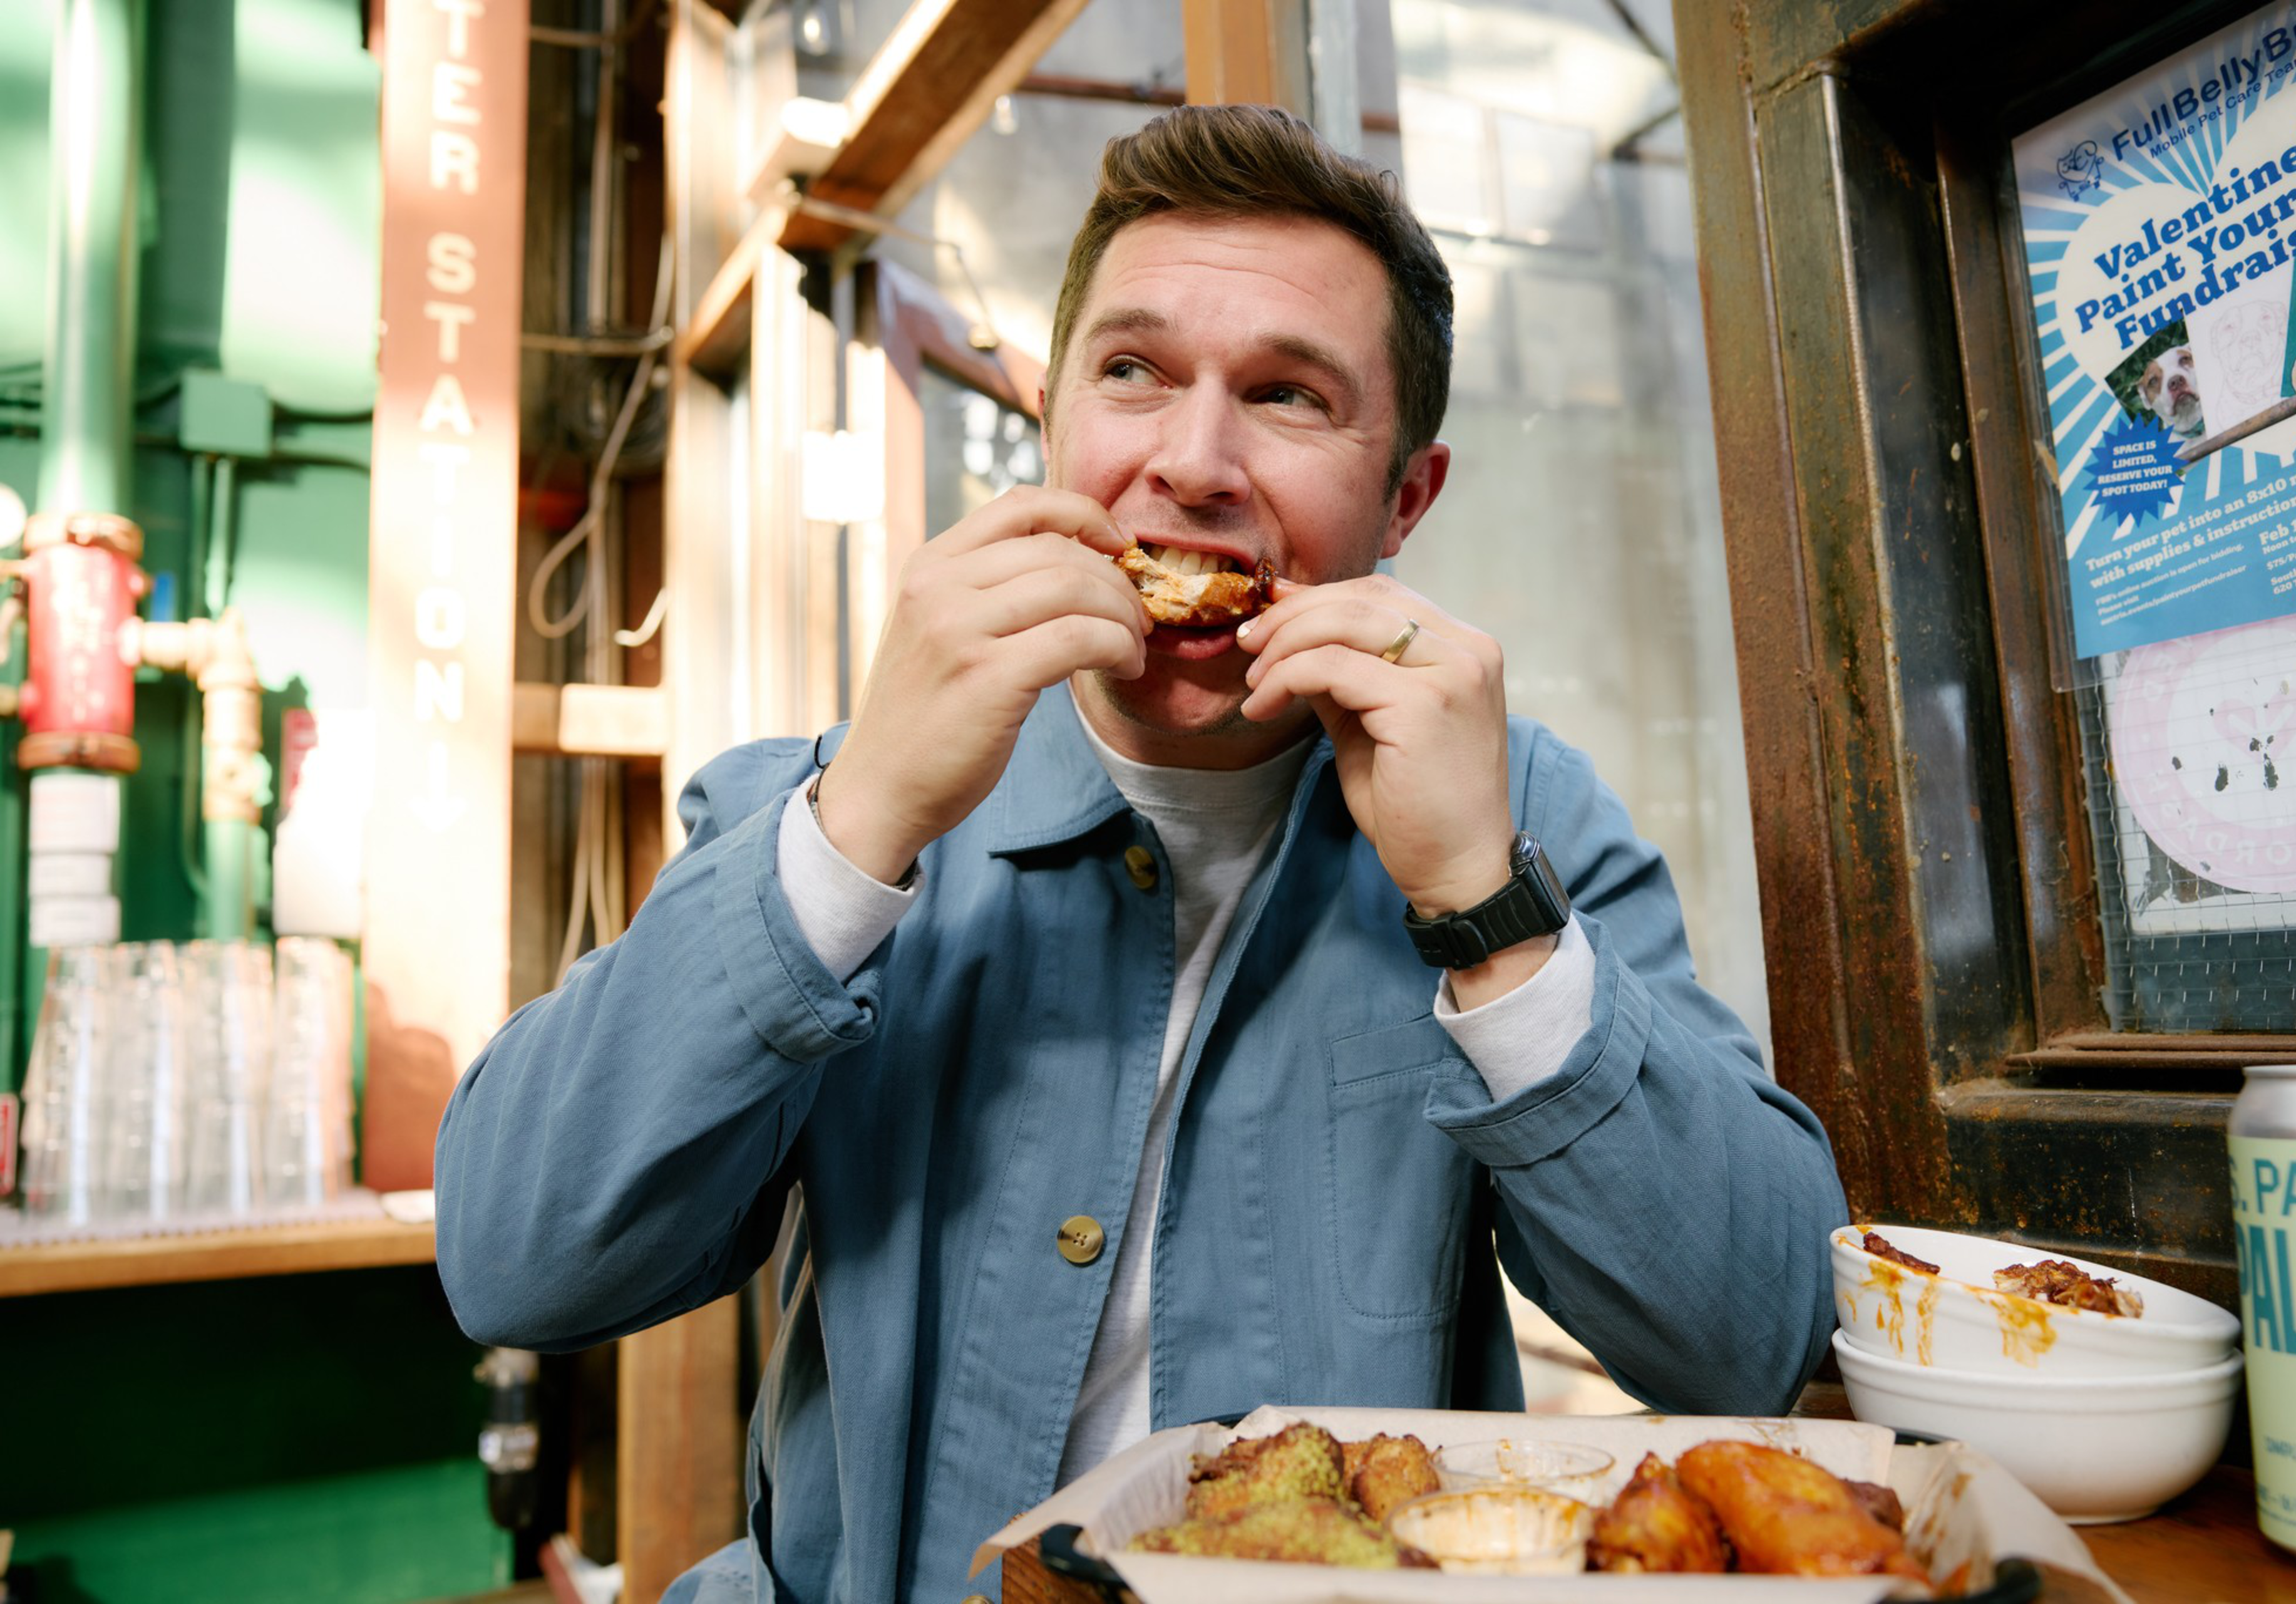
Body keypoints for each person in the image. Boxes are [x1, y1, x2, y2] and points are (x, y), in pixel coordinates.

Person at [435, 104, 1848, 1604]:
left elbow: (1752, 1334)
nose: (1192, 462)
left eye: (1290, 396)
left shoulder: (1521, 829)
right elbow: (521, 1263)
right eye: (1134, 373)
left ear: (1404, 502)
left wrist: (1487, 911)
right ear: (1053, 422)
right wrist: (857, 828)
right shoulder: (829, 809)